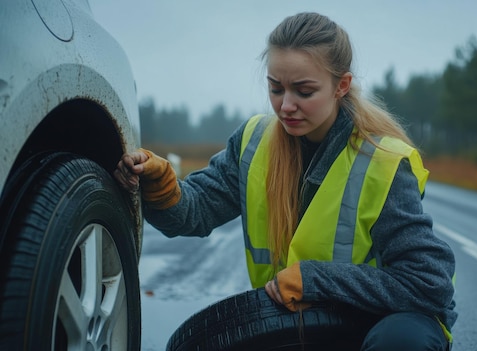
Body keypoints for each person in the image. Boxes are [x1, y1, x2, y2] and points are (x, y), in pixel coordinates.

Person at [114, 12, 456, 351]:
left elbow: (428, 283)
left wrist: (317, 280)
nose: (286, 105)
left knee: (400, 342)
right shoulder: (251, 143)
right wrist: (161, 187)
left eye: (304, 91)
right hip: (296, 325)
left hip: (380, 321)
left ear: (342, 86)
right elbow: (194, 212)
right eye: (275, 88)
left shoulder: (382, 163)